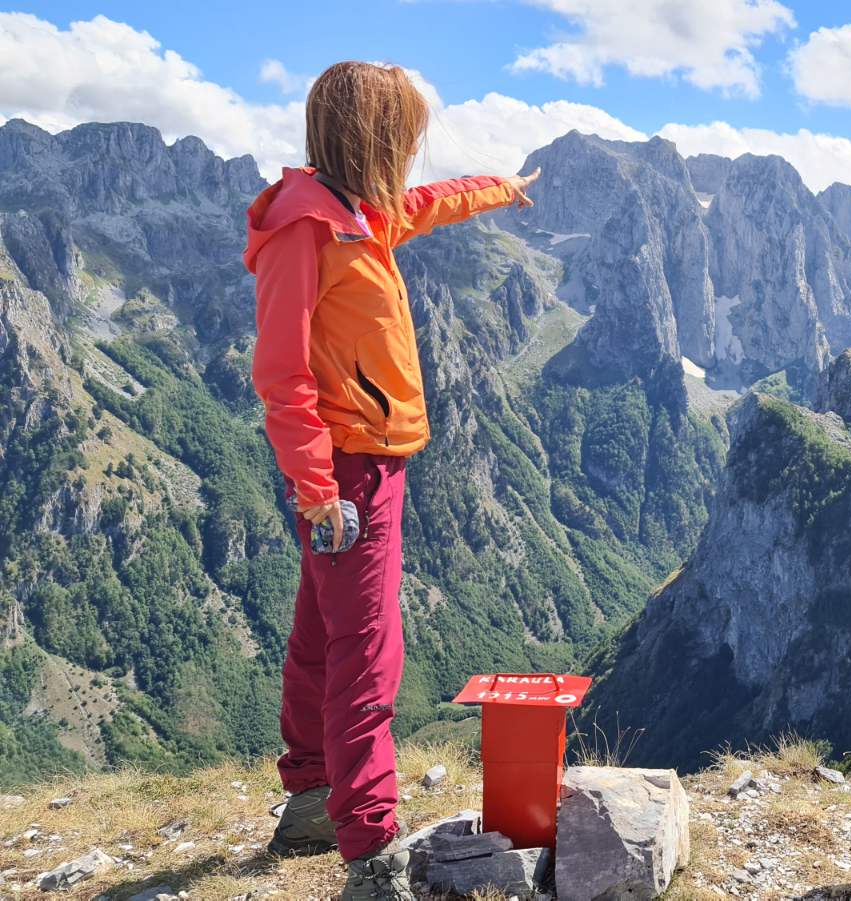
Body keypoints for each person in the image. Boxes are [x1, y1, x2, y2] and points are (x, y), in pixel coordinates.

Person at [243, 61, 539, 900]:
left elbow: (421, 206)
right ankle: (369, 850)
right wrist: (318, 487)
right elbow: (282, 374)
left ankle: (310, 794)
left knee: (319, 633)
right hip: (346, 471)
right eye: (403, 135)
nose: (411, 152)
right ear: (370, 136)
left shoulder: (352, 213)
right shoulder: (307, 229)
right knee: (367, 650)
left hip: (361, 463)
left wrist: (497, 187)